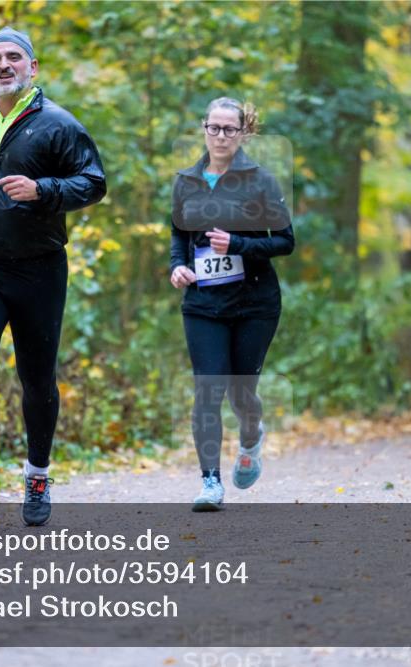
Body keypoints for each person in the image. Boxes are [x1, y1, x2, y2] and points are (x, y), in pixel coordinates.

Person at [0, 27, 106, 525]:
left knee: (37, 378)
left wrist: (43, 189)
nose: (3, 65)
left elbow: (94, 183)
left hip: (39, 269)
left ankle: (37, 474)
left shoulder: (58, 124)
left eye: (14, 57)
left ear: (33, 67)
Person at [169, 97, 295, 511]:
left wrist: (238, 243)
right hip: (203, 303)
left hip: (254, 303)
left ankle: (251, 436)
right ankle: (210, 482)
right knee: (208, 389)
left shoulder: (261, 181)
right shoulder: (186, 181)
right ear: (203, 129)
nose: (220, 136)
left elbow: (285, 241)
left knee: (242, 392)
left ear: (243, 133)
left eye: (229, 129)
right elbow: (178, 233)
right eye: (214, 127)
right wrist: (177, 266)